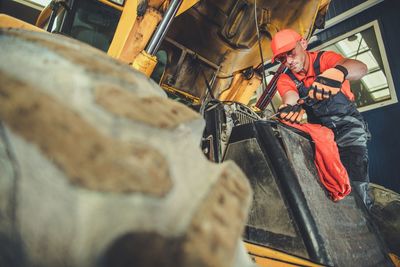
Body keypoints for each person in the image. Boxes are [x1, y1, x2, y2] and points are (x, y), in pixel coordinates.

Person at [271, 29, 372, 208]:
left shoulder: (326, 60)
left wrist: (339, 71)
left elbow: (360, 68)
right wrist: (289, 107)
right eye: (281, 59)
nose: (288, 61)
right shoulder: (286, 79)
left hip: (348, 128)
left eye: (291, 53)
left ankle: (365, 219)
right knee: (325, 189)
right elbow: (290, 97)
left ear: (303, 44)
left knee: (356, 187)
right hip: (322, 137)